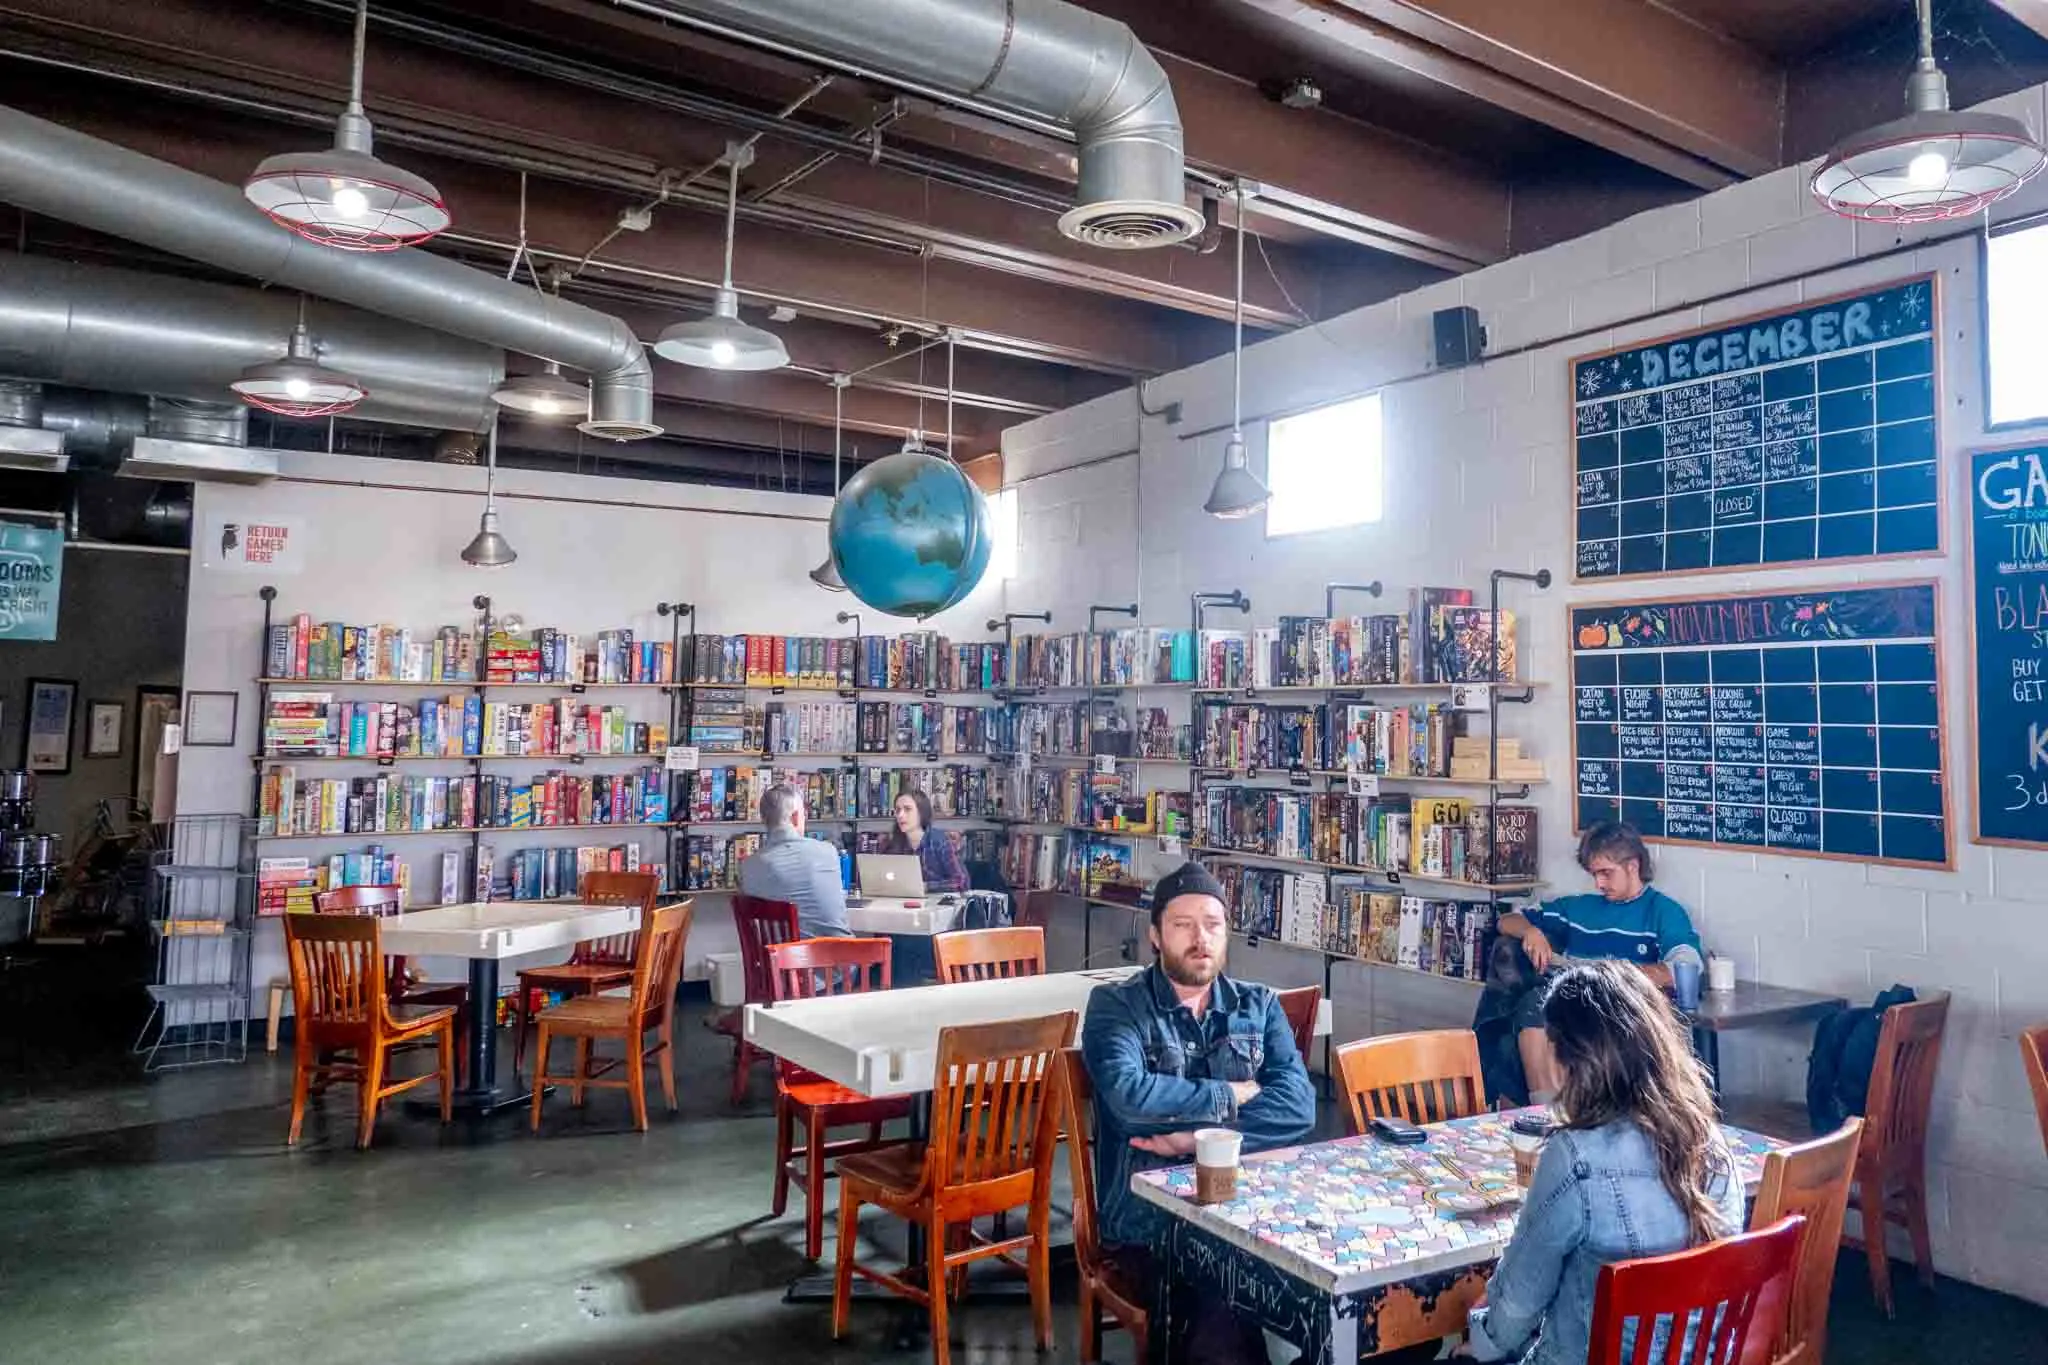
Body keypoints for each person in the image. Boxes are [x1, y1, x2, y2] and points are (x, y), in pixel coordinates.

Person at [1081, 862, 1316, 1365]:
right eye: (1183, 925)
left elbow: (1298, 1107)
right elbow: (1130, 1100)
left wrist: (1192, 1141)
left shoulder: (1259, 1006)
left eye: (1212, 924)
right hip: (1151, 1222)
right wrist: (1232, 1095)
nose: (1200, 938)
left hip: (1256, 1213)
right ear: (1155, 936)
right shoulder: (1115, 1007)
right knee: (1223, 1314)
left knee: (1373, 1316)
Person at [1460, 960, 1743, 1365]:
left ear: (1569, 1057)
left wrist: (1478, 1343)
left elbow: (1518, 1306)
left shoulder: (1576, 1156)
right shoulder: (1711, 1142)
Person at [1476, 821, 1703, 1102]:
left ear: (1633, 865)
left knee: (1540, 1006)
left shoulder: (1663, 912)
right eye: (1594, 874)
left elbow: (1686, 966)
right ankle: (1544, 1113)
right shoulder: (1579, 907)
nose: (1599, 884)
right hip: (1571, 1003)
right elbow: (1506, 920)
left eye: (1606, 873)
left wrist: (1615, 975)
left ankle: (1551, 1111)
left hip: (1623, 1008)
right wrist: (1531, 931)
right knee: (1532, 1003)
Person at [737, 782, 850, 939]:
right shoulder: (827, 852)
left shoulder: (748, 866)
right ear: (796, 817)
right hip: (835, 960)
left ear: (764, 820)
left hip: (777, 961)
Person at [877, 788, 968, 894]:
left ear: (921, 812)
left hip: (938, 905)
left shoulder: (939, 841)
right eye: (898, 810)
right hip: (902, 904)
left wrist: (926, 887)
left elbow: (962, 882)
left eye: (907, 809)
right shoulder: (893, 843)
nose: (900, 815)